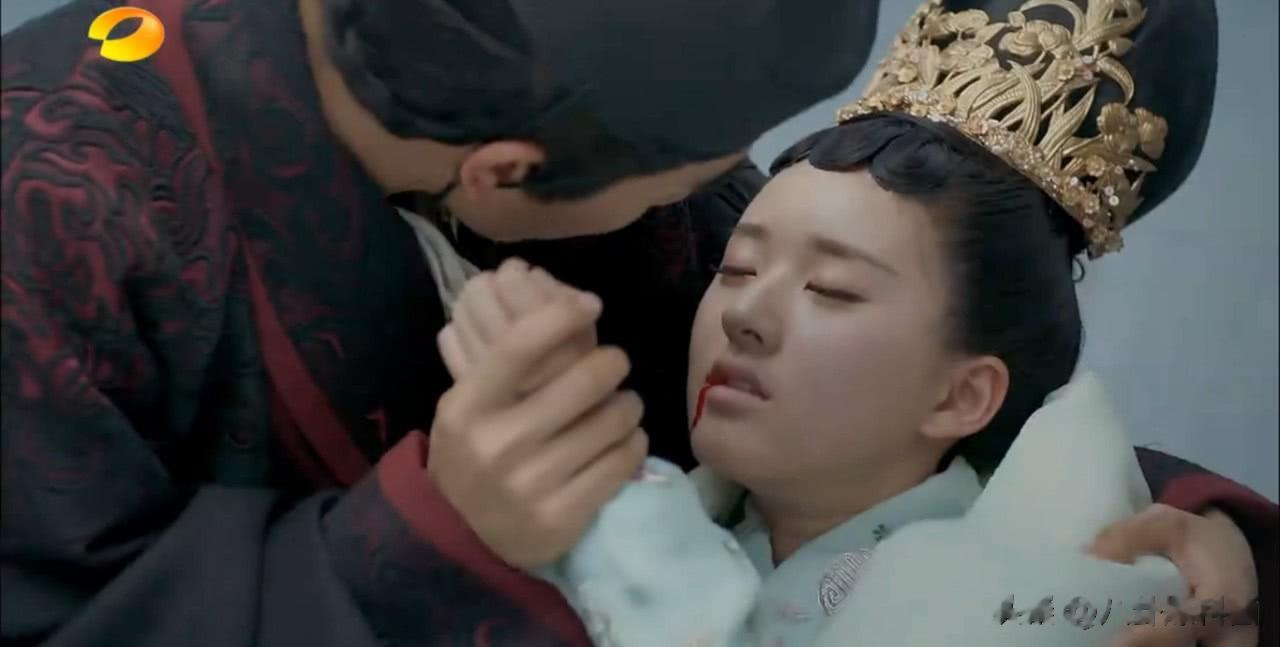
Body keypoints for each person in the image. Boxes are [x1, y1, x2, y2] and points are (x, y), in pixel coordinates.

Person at [0, 0, 1272, 646]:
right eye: (713, 204)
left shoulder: (598, 100)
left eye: (824, 284)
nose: (734, 276)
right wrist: (423, 544)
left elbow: (907, 389)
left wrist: (1165, 539)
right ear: (504, 172)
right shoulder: (53, 211)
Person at [430, 0, 1279, 646]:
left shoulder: (1058, 600)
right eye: (737, 269)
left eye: (832, 290)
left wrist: (613, 517)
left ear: (963, 394)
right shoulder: (686, 512)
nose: (746, 316)